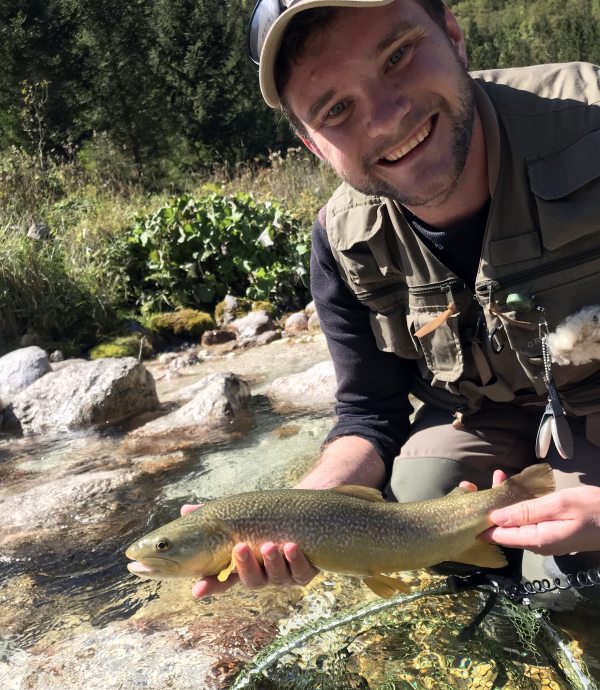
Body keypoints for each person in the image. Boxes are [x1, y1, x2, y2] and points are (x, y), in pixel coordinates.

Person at [190, 0, 600, 599]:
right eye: (335, 109)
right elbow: (369, 413)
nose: (385, 120)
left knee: (571, 581)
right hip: (477, 411)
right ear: (312, 144)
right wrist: (304, 509)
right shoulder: (341, 240)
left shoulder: (591, 120)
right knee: (413, 502)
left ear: (453, 34)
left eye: (398, 55)